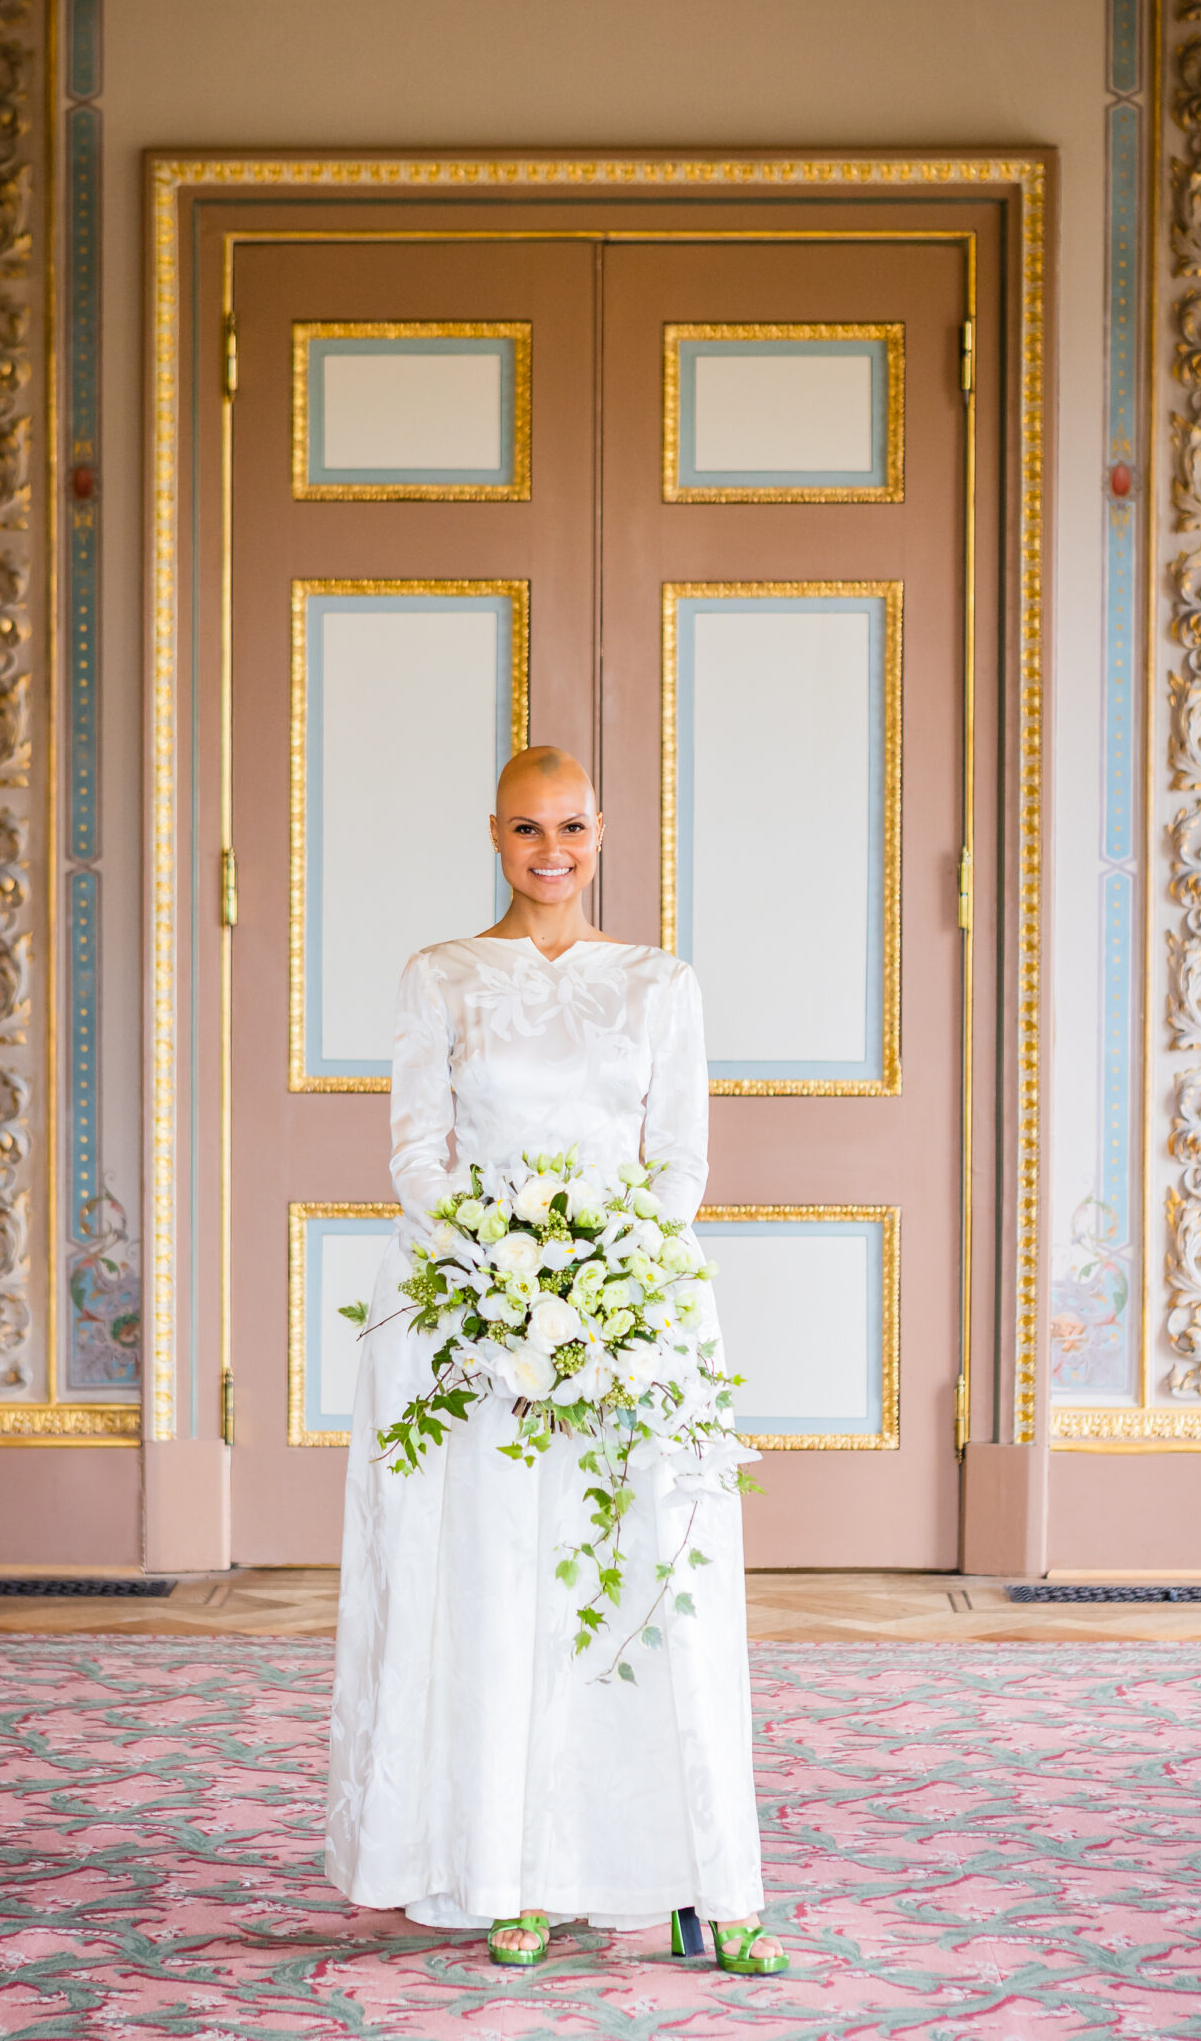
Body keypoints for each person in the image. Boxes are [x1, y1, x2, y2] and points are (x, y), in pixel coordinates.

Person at [325, 746, 786, 1974]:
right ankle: (495, 1866)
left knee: (624, 1572)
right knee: (489, 1576)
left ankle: (642, 1862)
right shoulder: (442, 976)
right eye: (527, 829)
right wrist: (498, 1266)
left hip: (630, 1311)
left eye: (572, 826)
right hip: (470, 1315)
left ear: (602, 832)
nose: (552, 851)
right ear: (495, 836)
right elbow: (418, 1151)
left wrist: (615, 1271)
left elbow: (678, 1161)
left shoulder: (659, 983)